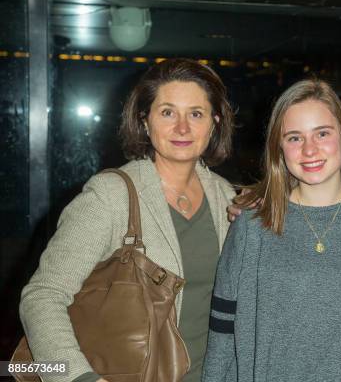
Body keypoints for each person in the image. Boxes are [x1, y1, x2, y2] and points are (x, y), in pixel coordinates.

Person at [19, 58, 236, 382]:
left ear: (214, 123)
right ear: (145, 121)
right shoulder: (110, 197)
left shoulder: (225, 197)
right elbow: (43, 296)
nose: (182, 127)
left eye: (195, 113)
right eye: (167, 112)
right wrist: (80, 379)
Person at [203, 79, 341, 382]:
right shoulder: (253, 226)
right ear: (279, 148)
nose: (309, 149)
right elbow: (223, 330)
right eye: (294, 138)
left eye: (322, 133)